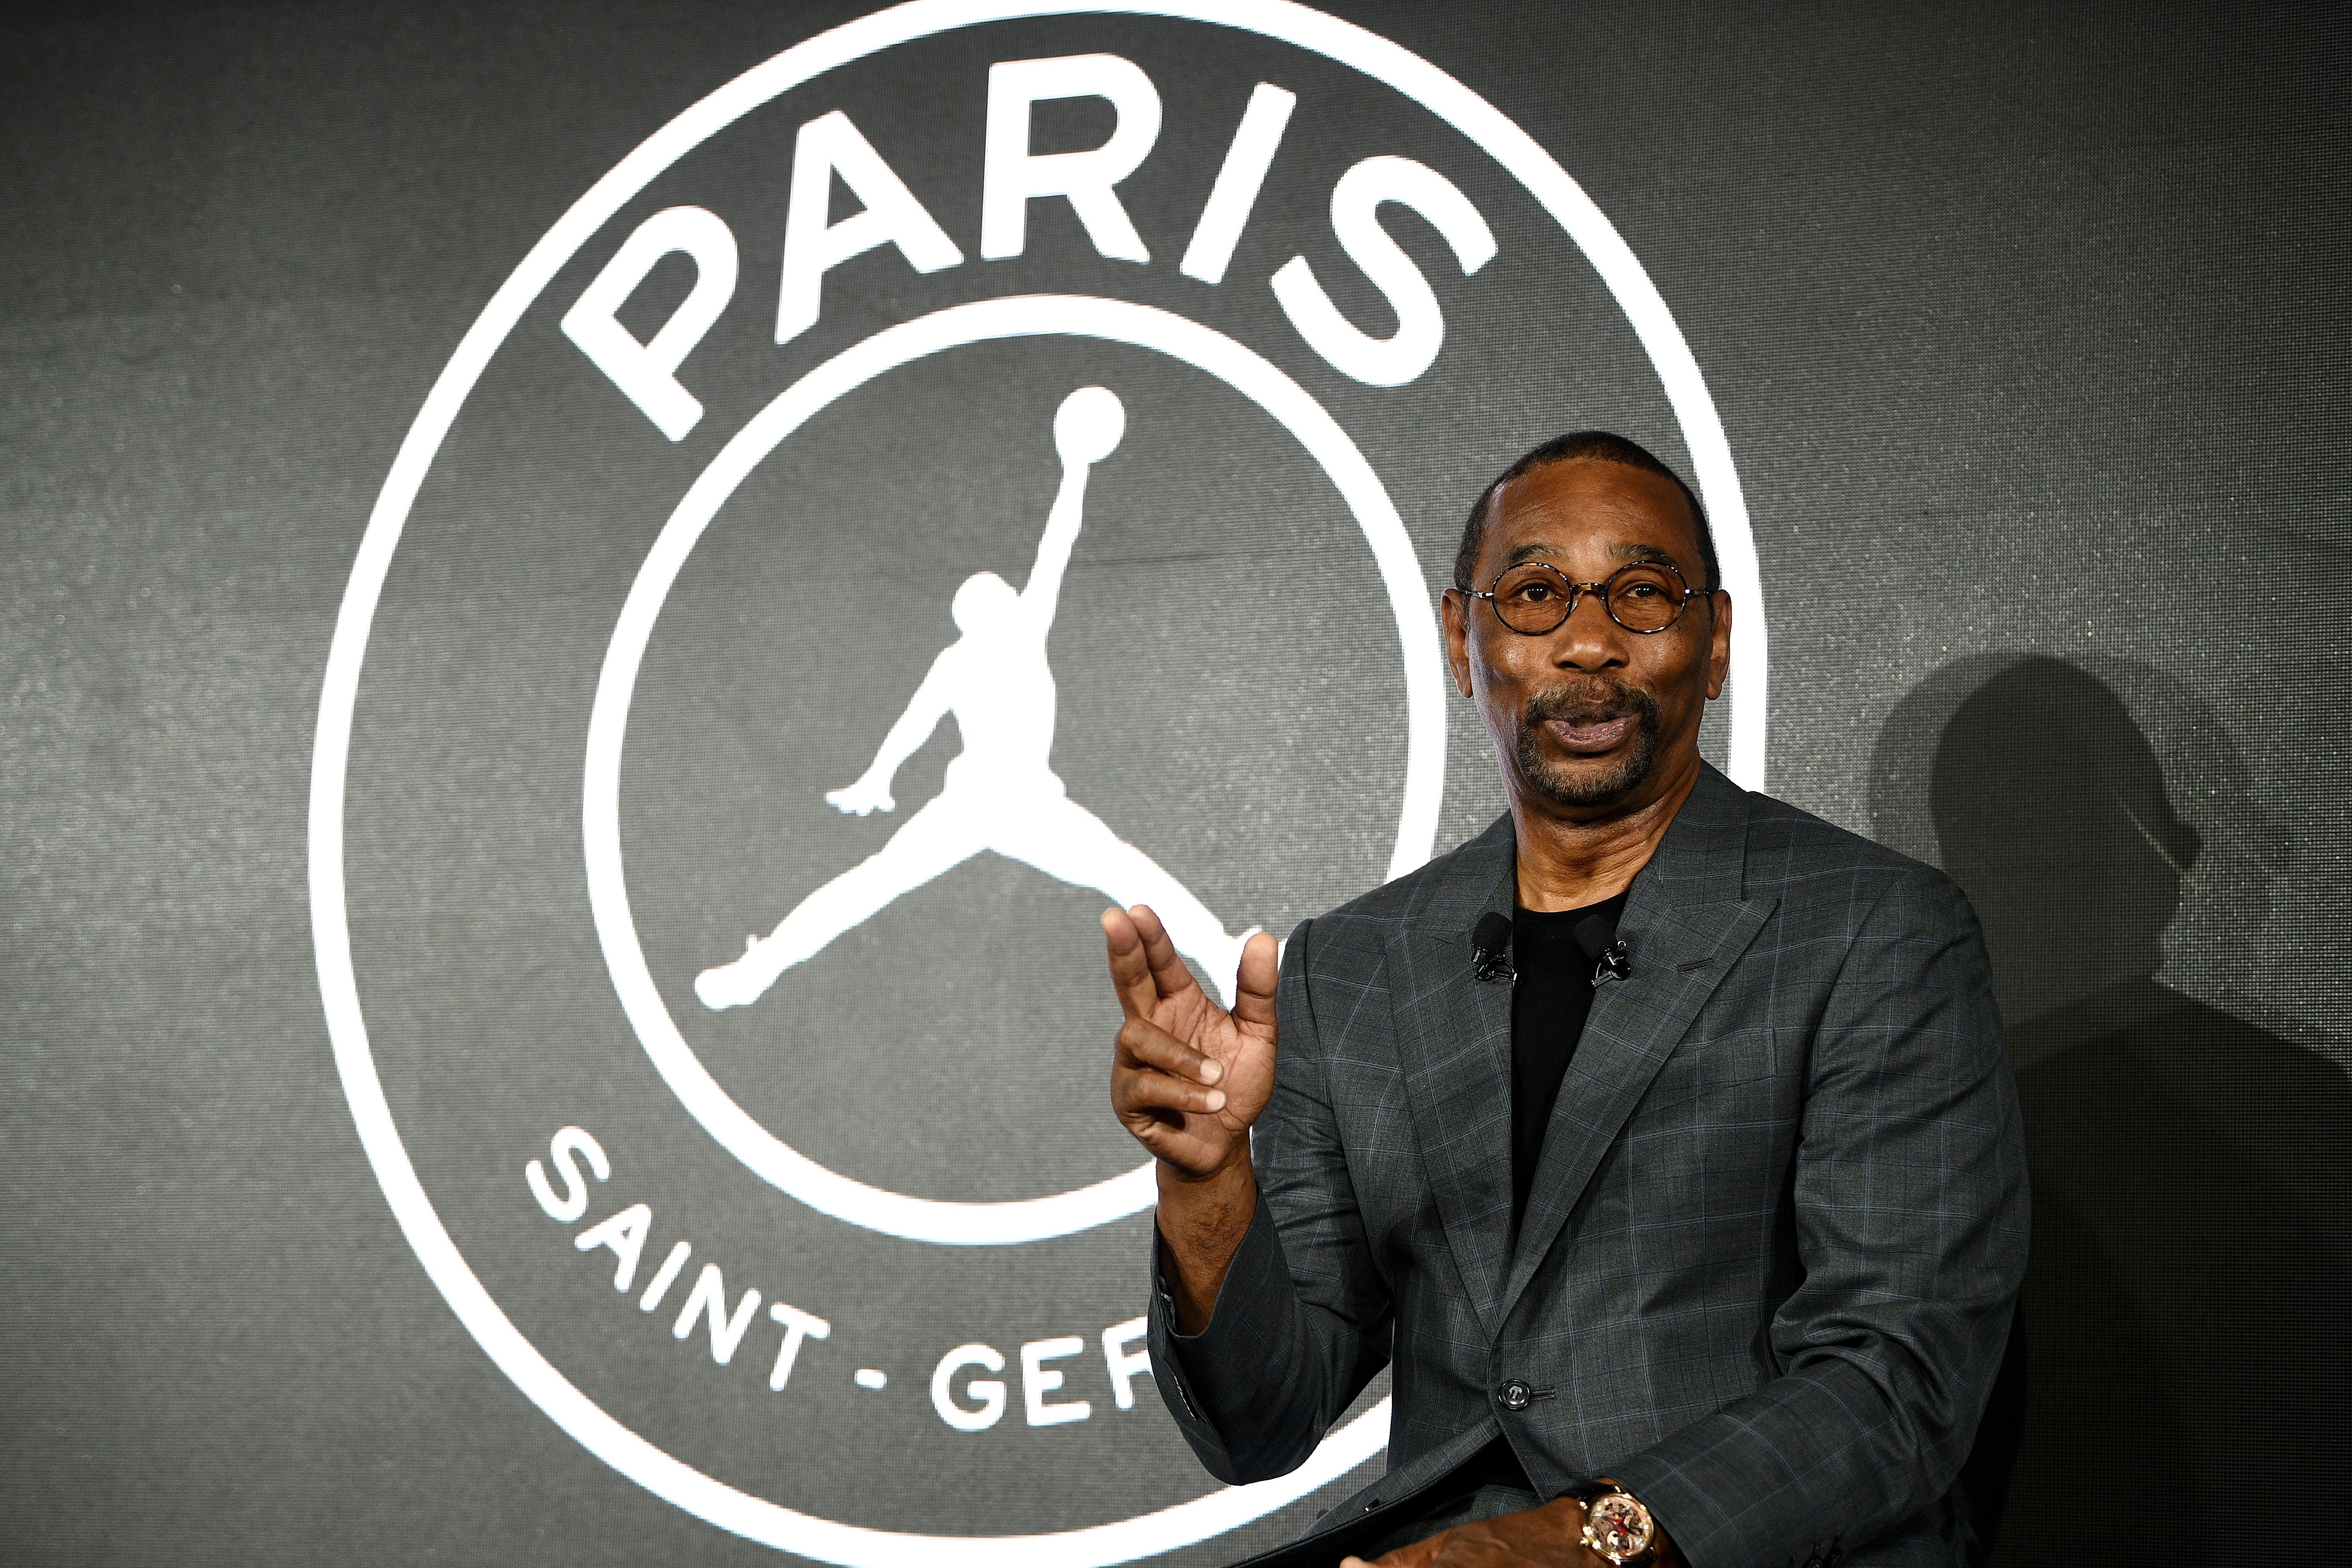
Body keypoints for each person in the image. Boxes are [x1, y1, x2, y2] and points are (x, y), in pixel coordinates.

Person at [1103, 433, 2028, 1568]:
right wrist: (1206, 1183)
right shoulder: (1350, 965)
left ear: (1716, 637)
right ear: (1463, 639)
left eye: (1641, 593)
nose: (1588, 641)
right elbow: (1259, 1422)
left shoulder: (1874, 929)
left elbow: (1899, 1374)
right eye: (1535, 594)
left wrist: (1575, 1544)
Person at [696, 385, 1254, 1013]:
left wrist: (1075, 471)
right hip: (978, 801)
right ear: (978, 613)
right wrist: (878, 774)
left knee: (1121, 872)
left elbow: (1056, 546)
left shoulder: (1008, 633)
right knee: (881, 882)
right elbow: (916, 720)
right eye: (997, 594)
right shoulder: (976, 651)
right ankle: (760, 964)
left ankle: (1224, 953)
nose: (1013, 595)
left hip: (1024, 801)